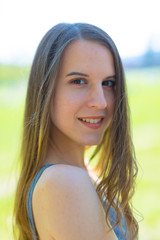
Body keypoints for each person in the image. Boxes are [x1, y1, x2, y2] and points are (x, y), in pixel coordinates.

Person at [13, 23, 139, 240]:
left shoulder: (82, 173)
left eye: (108, 83)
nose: (101, 102)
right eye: (79, 81)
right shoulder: (64, 182)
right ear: (45, 91)